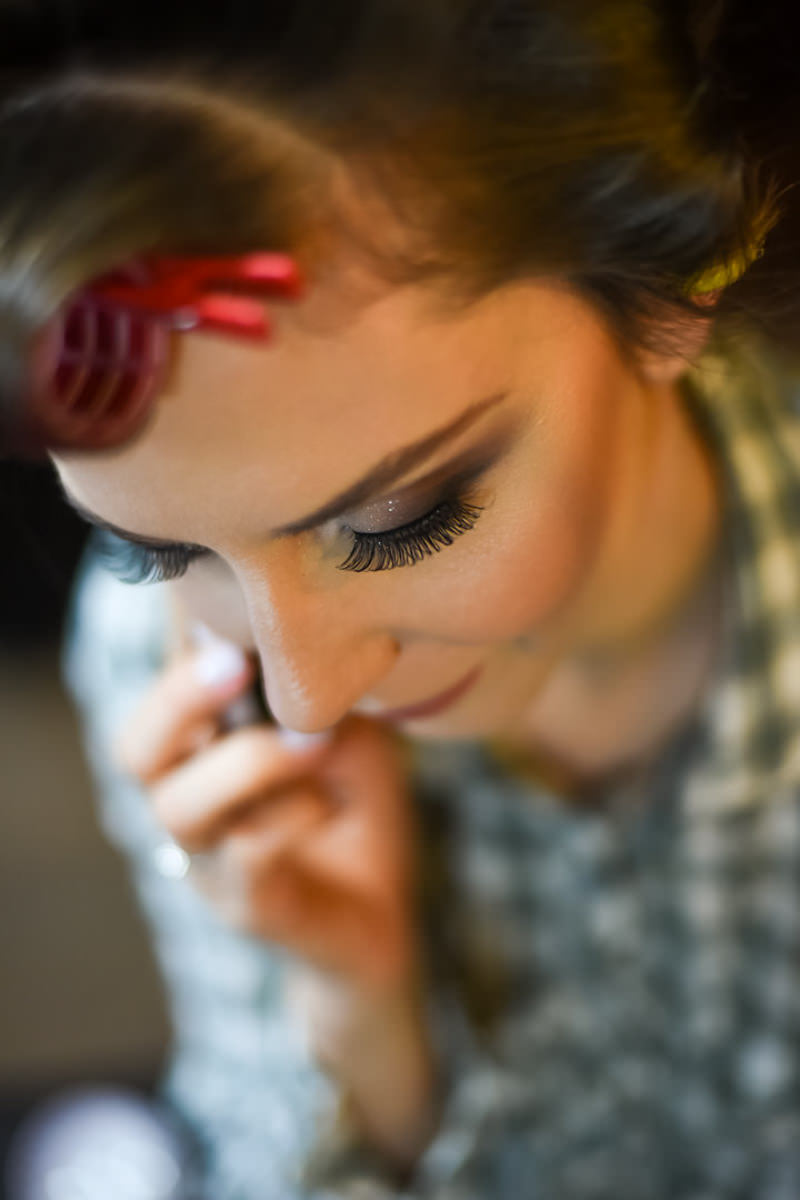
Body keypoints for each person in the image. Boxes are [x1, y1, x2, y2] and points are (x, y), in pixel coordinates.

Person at [2, 2, 800, 1196]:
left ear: (665, 284)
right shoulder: (167, 674)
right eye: (164, 551)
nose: (307, 697)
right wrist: (360, 1029)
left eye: (398, 520)